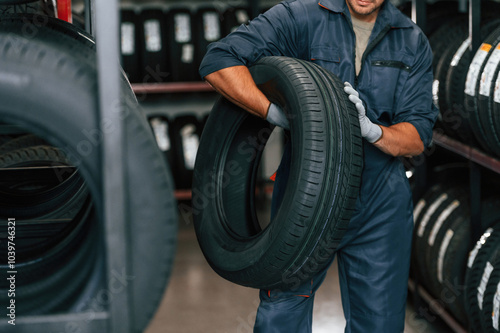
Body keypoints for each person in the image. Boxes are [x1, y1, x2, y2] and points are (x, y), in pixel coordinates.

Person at [199, 0, 438, 332]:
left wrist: (373, 130)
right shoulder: (300, 18)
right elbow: (219, 61)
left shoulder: (411, 40)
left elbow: (418, 135)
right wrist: (271, 111)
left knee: (379, 324)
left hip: (378, 206)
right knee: (282, 314)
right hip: (308, 195)